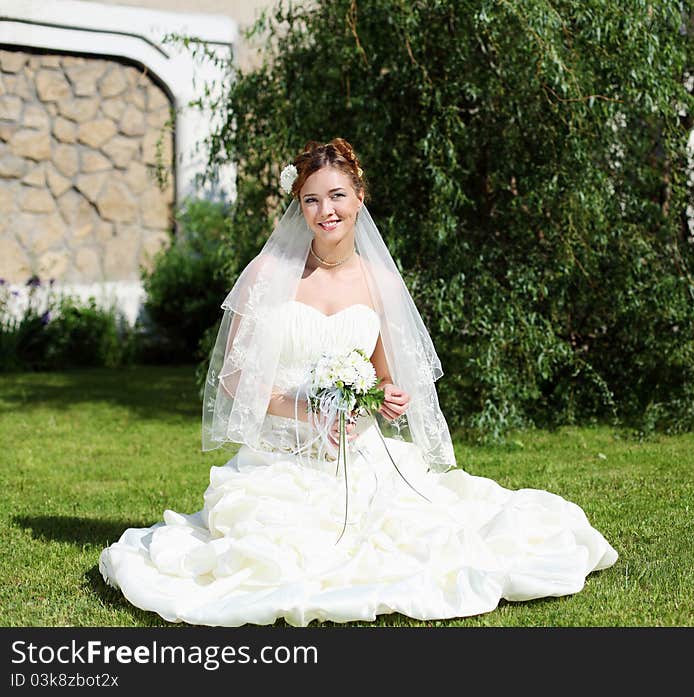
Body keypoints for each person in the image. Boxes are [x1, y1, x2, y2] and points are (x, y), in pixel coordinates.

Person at [99, 138, 618, 627]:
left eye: (337, 196)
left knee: (425, 538)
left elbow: (387, 377)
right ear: (298, 207)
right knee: (271, 549)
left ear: (358, 197)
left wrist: (386, 397)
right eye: (311, 200)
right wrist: (307, 408)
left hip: (358, 454)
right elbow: (235, 381)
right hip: (282, 456)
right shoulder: (268, 274)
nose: (326, 211)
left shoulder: (379, 280)